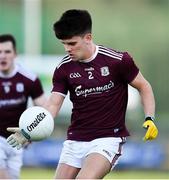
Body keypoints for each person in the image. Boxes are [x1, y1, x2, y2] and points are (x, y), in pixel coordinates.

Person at [6, 10, 158, 179]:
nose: (67, 49)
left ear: (88, 38)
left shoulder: (118, 60)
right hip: (75, 140)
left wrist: (149, 118)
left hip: (108, 139)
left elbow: (144, 86)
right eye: (64, 43)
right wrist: (30, 131)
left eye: (72, 43)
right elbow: (53, 104)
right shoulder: (63, 68)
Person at [0, 34, 46, 179]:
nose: (3, 56)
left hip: (17, 141)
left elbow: (44, 112)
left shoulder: (29, 79)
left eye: (7, 52)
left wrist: (31, 132)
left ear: (15, 54)